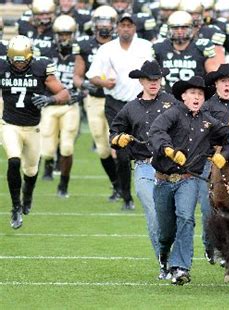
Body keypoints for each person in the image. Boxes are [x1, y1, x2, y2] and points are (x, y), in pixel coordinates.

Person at [148, 76, 229, 285]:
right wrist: (168, 149)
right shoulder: (172, 114)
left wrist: (225, 155)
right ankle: (165, 255)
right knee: (166, 231)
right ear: (183, 96)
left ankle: (180, 268)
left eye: (200, 94)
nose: (197, 97)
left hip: (188, 179)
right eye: (193, 93)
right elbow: (156, 131)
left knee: (186, 218)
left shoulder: (208, 120)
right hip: (163, 179)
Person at [109, 60, 177, 280]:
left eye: (157, 79)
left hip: (170, 168)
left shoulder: (172, 103)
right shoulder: (130, 108)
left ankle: (177, 261)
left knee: (176, 217)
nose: (154, 83)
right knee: (154, 213)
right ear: (141, 81)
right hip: (144, 167)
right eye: (149, 80)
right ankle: (164, 263)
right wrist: (119, 139)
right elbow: (114, 134)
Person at [0, 35, 70, 229]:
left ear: (30, 56)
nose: (19, 65)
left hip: (33, 128)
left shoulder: (41, 68)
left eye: (23, 60)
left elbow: (65, 93)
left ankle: (27, 196)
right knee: (13, 160)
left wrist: (50, 100)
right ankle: (15, 207)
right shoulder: (3, 67)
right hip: (9, 125)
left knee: (31, 171)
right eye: (15, 60)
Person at [86, 13, 153, 210]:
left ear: (135, 28)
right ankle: (126, 197)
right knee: (121, 151)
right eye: (122, 25)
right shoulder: (106, 49)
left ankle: (152, 190)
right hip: (115, 104)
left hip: (142, 103)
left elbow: (155, 72)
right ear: (117, 28)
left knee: (149, 147)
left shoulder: (145, 47)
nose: (125, 28)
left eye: (129, 25)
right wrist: (103, 82)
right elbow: (92, 76)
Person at [73, 5, 120, 202]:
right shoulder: (84, 44)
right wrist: (85, 84)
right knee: (102, 148)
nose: (104, 26)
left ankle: (122, 187)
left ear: (114, 24)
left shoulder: (121, 46)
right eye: (101, 22)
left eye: (108, 22)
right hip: (93, 100)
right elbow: (77, 76)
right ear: (94, 24)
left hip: (115, 99)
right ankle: (116, 184)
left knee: (117, 146)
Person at [199, 63, 229, 264]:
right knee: (209, 209)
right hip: (210, 161)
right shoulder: (206, 107)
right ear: (216, 84)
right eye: (223, 81)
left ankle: (227, 250)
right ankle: (210, 243)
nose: (227, 85)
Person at [34, 14, 81, 197]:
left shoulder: (80, 55)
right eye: (61, 34)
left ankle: (63, 185)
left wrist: (82, 91)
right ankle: (48, 167)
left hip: (69, 106)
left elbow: (85, 78)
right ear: (55, 35)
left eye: (67, 34)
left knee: (67, 146)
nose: (64, 38)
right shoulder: (46, 55)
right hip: (50, 105)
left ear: (74, 34)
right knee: (46, 151)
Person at [152, 10, 221, 92]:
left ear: (191, 28)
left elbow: (214, 78)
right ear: (168, 29)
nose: (180, 31)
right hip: (169, 99)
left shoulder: (202, 47)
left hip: (196, 99)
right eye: (175, 28)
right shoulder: (159, 48)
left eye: (184, 27)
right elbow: (152, 77)